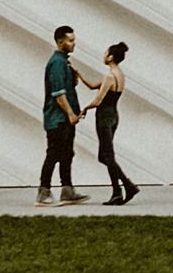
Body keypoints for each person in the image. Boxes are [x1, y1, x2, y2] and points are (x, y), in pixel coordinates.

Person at [36, 25, 87, 208]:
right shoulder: (57, 63)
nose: (74, 44)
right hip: (58, 119)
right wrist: (71, 114)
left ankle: (67, 190)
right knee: (54, 154)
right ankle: (43, 192)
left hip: (65, 119)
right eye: (71, 40)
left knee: (67, 154)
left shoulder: (64, 62)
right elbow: (58, 94)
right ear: (60, 42)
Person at [85, 41, 140, 206]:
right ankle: (125, 187)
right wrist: (77, 73)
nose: (103, 55)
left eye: (105, 53)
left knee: (107, 156)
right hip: (114, 115)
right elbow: (92, 86)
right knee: (105, 156)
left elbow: (98, 100)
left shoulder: (109, 76)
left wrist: (83, 110)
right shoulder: (120, 75)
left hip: (104, 117)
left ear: (110, 57)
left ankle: (122, 189)